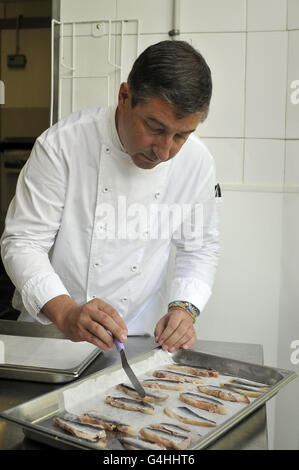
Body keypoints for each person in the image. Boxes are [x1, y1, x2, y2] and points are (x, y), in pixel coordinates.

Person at [1, 40, 220, 354]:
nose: (165, 151)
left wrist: (184, 309)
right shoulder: (63, 145)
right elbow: (22, 242)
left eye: (181, 135)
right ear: (124, 97)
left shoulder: (197, 163)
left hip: (138, 339)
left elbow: (199, 247)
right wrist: (65, 312)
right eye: (154, 127)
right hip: (49, 338)